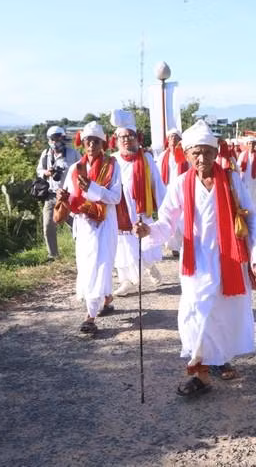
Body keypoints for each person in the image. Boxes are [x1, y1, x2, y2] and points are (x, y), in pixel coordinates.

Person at [133, 119, 256, 397]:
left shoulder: (231, 180)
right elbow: (167, 223)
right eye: (196, 152)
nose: (202, 158)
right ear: (187, 154)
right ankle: (201, 371)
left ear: (216, 152)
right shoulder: (181, 184)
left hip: (229, 259)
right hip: (196, 262)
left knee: (223, 314)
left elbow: (251, 218)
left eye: (207, 151)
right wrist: (148, 230)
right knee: (194, 314)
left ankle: (216, 361)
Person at [56, 121, 121, 334]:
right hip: (83, 224)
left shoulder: (112, 165)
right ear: (82, 143)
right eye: (87, 141)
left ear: (103, 143)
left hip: (105, 223)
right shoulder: (75, 168)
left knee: (101, 265)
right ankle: (106, 299)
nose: (91, 145)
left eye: (95, 141)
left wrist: (92, 188)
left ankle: (90, 316)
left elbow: (116, 197)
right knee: (86, 266)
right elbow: (67, 194)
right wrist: (61, 197)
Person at [110, 109, 167, 296]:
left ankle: (150, 266)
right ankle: (127, 281)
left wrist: (165, 209)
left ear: (137, 138)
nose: (126, 140)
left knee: (146, 246)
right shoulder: (113, 160)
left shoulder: (147, 158)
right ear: (117, 140)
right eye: (122, 137)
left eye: (130, 136)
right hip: (121, 210)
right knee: (124, 248)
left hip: (142, 210)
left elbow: (156, 184)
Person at [36, 125, 80, 260]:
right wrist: (46, 173)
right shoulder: (46, 154)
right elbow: (39, 170)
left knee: (76, 225)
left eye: (57, 138)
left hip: (69, 195)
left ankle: (81, 250)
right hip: (51, 194)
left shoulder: (73, 153)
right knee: (48, 225)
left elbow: (83, 169)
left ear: (63, 138)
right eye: (52, 138)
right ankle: (53, 255)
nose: (55, 141)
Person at [156, 128, 189, 257]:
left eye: (175, 137)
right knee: (170, 217)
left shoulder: (185, 155)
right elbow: (158, 174)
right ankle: (174, 247)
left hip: (182, 190)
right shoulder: (162, 156)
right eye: (170, 137)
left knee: (182, 219)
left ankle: (183, 245)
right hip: (166, 190)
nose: (173, 140)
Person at [237, 136, 256, 205]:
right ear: (247, 144)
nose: (251, 145)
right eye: (249, 143)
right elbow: (237, 167)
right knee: (244, 198)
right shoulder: (242, 155)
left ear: (255, 144)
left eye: (253, 143)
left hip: (253, 182)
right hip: (244, 180)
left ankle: (252, 214)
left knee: (253, 199)